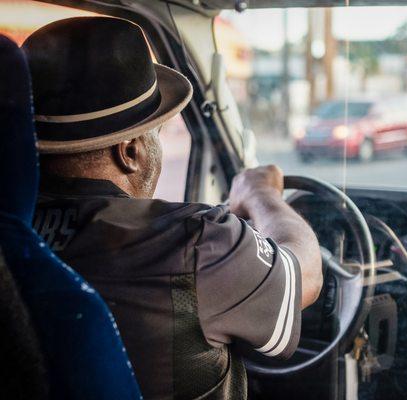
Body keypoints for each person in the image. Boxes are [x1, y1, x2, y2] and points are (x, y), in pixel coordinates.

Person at [24, 16, 323, 400]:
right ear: (131, 152)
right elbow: (305, 277)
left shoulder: (13, 238)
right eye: (157, 134)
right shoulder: (195, 243)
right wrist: (261, 193)